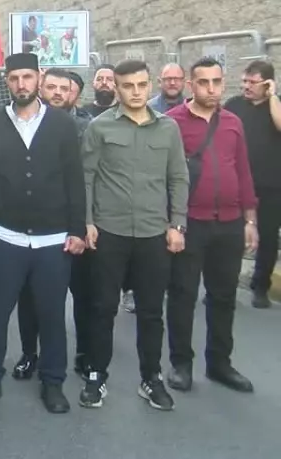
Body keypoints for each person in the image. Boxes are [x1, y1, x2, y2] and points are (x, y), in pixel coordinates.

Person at [0, 52, 86, 415]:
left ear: (39, 78)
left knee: (52, 316)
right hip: (4, 236)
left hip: (52, 240)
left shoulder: (62, 124)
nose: (21, 84)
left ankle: (53, 382)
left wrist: (77, 229)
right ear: (7, 82)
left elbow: (74, 179)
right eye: (14, 78)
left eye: (27, 77)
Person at [80, 59, 189, 411]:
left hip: (153, 233)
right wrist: (87, 222)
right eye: (128, 86)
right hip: (109, 232)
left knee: (151, 311)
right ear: (117, 88)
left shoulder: (168, 128)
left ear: (149, 84)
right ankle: (96, 375)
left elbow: (178, 178)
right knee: (103, 307)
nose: (136, 92)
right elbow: (87, 177)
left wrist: (177, 224)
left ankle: (151, 378)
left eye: (142, 85)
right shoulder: (99, 127)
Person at [164, 58, 256, 394]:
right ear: (191, 85)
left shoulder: (232, 122)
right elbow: (165, 176)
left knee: (223, 296)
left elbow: (243, 171)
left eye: (217, 82)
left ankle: (219, 363)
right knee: (183, 295)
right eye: (204, 82)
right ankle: (181, 364)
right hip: (190, 223)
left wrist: (250, 220)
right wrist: (171, 223)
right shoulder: (172, 122)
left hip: (229, 223)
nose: (211, 89)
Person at [14, 67, 94, 379]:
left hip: (76, 223)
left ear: (75, 93)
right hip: (36, 227)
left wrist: (85, 223)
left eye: (65, 88)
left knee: (83, 295)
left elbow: (90, 177)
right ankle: (29, 353)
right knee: (30, 298)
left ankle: (84, 354)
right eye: (52, 87)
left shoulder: (87, 127)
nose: (58, 93)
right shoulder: (23, 124)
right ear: (41, 88)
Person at [223, 59, 281, 309]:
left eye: (253, 82)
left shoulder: (276, 105)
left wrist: (273, 96)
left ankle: (260, 288)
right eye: (244, 81)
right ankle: (224, 285)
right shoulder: (234, 105)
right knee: (231, 237)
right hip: (237, 184)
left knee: (267, 238)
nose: (246, 86)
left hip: (271, 186)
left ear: (267, 84)